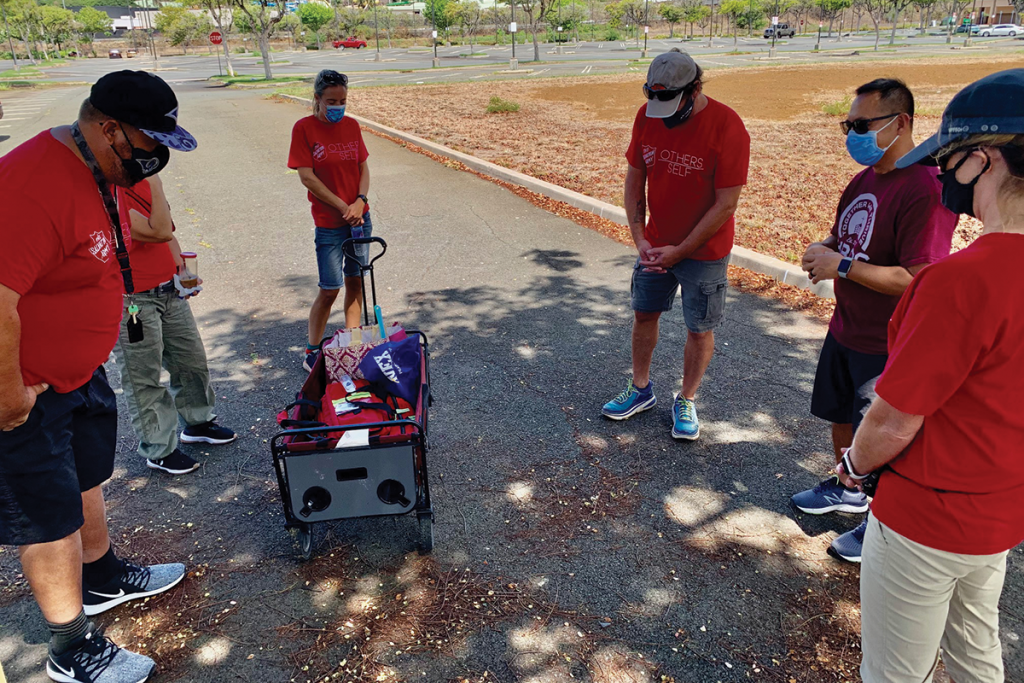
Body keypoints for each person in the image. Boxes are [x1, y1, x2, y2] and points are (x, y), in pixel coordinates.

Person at [0, 71, 197, 682]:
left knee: (85, 479)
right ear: (107, 128)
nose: (150, 162)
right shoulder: (32, 184)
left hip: (75, 374)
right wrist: (7, 396)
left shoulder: (98, 167)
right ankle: (69, 645)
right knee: (47, 514)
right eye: (145, 147)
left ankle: (104, 574)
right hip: (26, 389)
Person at [842, 68, 1024, 683]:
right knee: (976, 649)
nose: (945, 175)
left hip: (925, 514)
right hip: (1001, 509)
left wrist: (853, 466)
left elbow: (894, 418)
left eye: (951, 161)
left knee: (895, 671)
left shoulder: (961, 280)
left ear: (983, 161)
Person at [790, 78, 957, 564]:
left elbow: (918, 278)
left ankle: (880, 524)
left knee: (880, 437)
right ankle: (849, 490)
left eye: (862, 125)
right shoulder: (864, 181)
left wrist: (840, 265)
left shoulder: (925, 188)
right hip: (847, 327)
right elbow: (848, 237)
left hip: (887, 343)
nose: (852, 134)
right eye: (849, 124)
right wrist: (826, 248)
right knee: (842, 417)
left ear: (901, 122)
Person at [602, 49, 750, 441]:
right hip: (656, 244)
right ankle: (640, 390)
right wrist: (641, 239)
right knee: (644, 314)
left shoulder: (727, 126)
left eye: (670, 101)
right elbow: (635, 179)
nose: (661, 111)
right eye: (655, 99)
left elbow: (727, 203)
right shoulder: (646, 114)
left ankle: (686, 398)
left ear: (695, 88)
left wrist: (681, 249)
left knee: (699, 328)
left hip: (704, 251)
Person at [111, 175, 237, 476]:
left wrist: (181, 267)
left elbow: (169, 234)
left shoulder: (141, 182)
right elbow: (158, 229)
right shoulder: (109, 190)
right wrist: (155, 180)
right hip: (133, 299)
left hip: (168, 290)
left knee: (190, 360)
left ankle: (198, 422)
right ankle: (159, 449)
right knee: (143, 376)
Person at [288, 69, 373, 373]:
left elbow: (363, 168)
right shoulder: (304, 129)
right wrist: (342, 206)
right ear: (318, 99)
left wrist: (360, 202)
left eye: (343, 100)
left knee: (355, 282)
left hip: (359, 218)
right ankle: (312, 349)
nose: (339, 106)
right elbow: (307, 177)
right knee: (330, 287)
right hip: (330, 222)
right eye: (332, 101)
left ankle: (353, 346)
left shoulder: (351, 126)